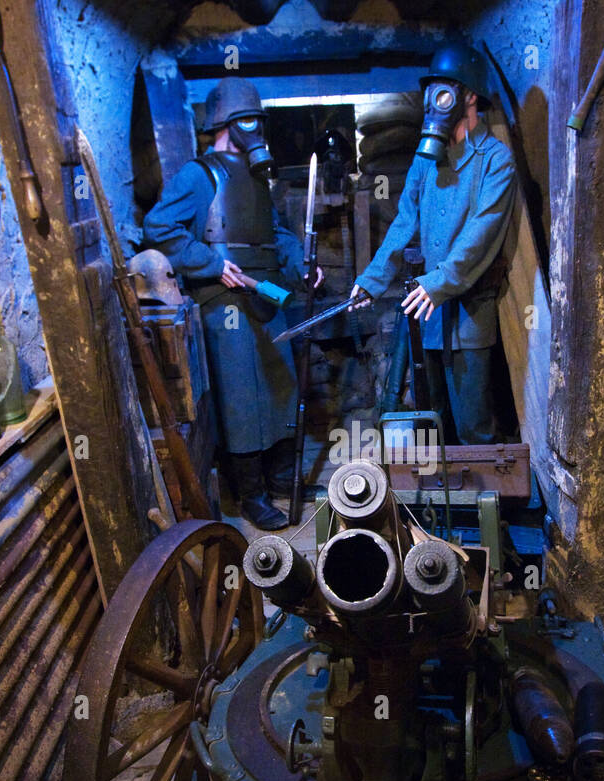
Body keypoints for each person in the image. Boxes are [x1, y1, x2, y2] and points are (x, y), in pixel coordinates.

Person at [143, 78, 320, 530]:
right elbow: (160, 226)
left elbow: (275, 232)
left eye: (259, 121)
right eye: (249, 121)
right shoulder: (197, 175)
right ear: (225, 124)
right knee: (242, 398)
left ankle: (280, 477)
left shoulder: (258, 176)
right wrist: (209, 262)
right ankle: (250, 495)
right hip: (223, 298)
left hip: (267, 294)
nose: (257, 130)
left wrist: (300, 263)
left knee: (280, 386)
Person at [351, 44, 515, 445]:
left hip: (469, 310)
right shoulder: (425, 161)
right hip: (430, 313)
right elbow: (404, 222)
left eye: (444, 92)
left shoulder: (496, 160)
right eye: (431, 93)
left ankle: (484, 503)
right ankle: (441, 505)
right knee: (432, 421)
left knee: (472, 424)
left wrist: (438, 283)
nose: (435, 102)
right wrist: (372, 280)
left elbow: (480, 236)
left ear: (469, 96)